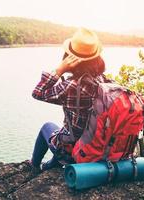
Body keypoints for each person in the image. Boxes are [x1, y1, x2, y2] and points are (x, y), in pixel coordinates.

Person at [29, 28, 111, 173]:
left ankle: (33, 166)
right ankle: (53, 164)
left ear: (69, 57)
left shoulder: (71, 86)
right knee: (67, 132)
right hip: (99, 148)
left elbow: (37, 93)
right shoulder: (105, 82)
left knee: (47, 127)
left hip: (75, 152)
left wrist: (59, 70)